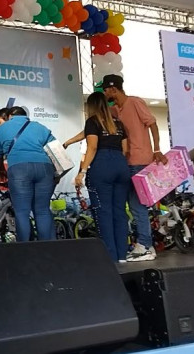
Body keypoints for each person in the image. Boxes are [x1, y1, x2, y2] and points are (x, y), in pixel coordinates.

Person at [102, 74, 165, 262]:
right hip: (125, 163)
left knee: (138, 206)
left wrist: (157, 149)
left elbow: (152, 124)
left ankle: (145, 245)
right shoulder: (115, 110)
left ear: (113, 89)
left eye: (105, 89)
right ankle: (141, 244)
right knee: (131, 205)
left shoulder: (135, 102)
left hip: (140, 161)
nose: (104, 93)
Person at [71, 92, 130, 262]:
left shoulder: (93, 121)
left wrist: (81, 172)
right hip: (121, 165)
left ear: (91, 106)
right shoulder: (118, 124)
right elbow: (125, 150)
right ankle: (122, 255)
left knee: (103, 212)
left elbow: (93, 147)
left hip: (102, 166)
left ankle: (109, 256)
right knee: (119, 211)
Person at [0, 106, 56, 242]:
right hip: (44, 168)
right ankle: (47, 250)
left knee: (22, 212)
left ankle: (24, 249)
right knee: (43, 210)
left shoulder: (3, 128)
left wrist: (1, 169)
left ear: (10, 116)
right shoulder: (39, 126)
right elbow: (55, 148)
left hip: (19, 168)